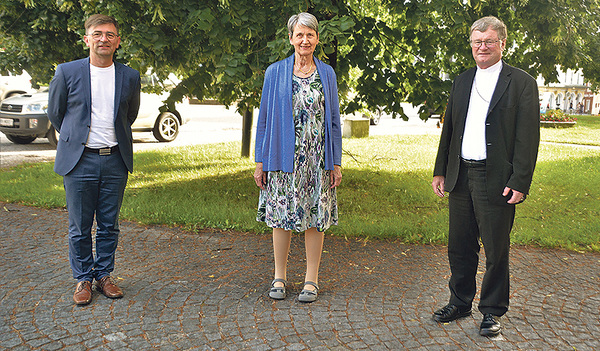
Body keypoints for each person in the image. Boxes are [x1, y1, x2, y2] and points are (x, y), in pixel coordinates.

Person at [431, 16, 540, 336]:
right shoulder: (463, 80)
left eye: (489, 41)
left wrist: (520, 181)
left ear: (502, 43)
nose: (482, 47)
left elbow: (528, 138)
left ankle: (492, 311)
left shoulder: (521, 82)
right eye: (477, 42)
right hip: (461, 175)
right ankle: (460, 300)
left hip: (497, 178)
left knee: (496, 249)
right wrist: (441, 170)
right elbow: (448, 129)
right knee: (459, 245)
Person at [48, 14, 141, 305]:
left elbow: (129, 115)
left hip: (115, 160)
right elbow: (55, 112)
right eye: (98, 34)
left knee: (109, 224)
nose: (104, 39)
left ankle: (104, 275)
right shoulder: (67, 72)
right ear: (87, 39)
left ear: (118, 42)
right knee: (79, 225)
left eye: (110, 35)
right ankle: (83, 279)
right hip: (79, 161)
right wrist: (76, 138)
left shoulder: (129, 76)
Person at [253, 12, 342, 303]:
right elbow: (264, 119)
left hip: (317, 159)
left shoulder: (327, 73)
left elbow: (333, 121)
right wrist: (260, 161)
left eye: (310, 34)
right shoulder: (275, 72)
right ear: (291, 38)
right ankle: (279, 276)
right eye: (299, 35)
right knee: (281, 217)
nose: (305, 40)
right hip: (282, 157)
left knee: (315, 218)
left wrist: (335, 161)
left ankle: (311, 280)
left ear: (317, 39)